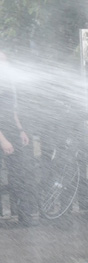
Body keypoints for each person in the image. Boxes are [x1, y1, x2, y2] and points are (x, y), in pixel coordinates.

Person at [0, 50, 36, 226]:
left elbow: (12, 111)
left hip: (11, 130)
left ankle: (25, 217)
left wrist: (20, 129)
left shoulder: (9, 82)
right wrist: (3, 140)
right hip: (1, 133)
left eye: (5, 59)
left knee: (19, 175)